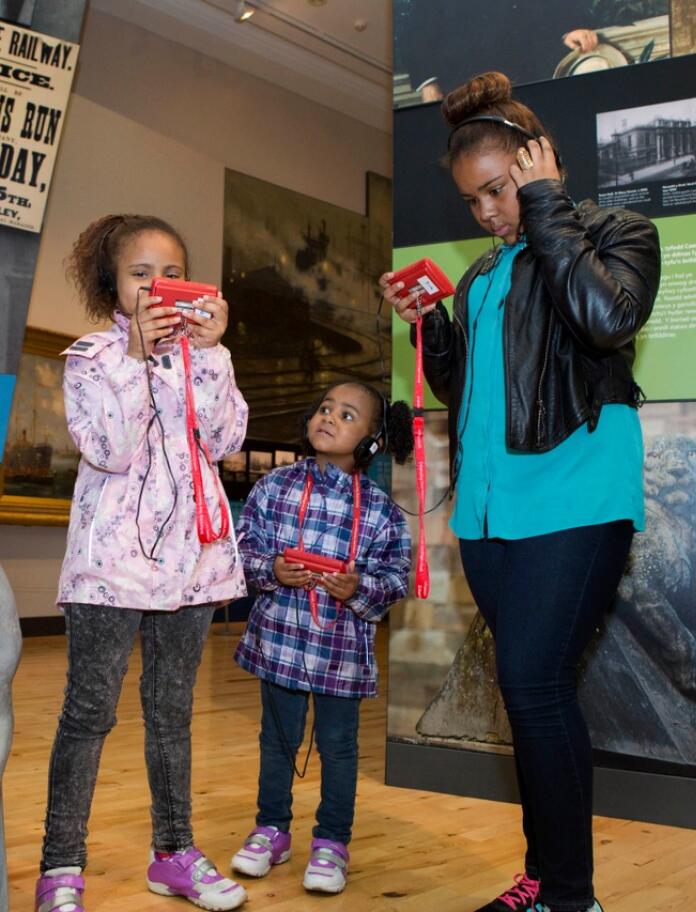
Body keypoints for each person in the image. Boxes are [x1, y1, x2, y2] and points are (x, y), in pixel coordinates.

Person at [380, 71, 660, 912]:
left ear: (543, 164)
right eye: (475, 201)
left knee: (534, 683)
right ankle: (545, 880)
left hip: (576, 491)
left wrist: (545, 211)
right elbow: (466, 391)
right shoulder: (481, 279)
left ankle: (570, 897)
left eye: (500, 190)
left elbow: (606, 323)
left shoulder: (619, 232)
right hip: (491, 509)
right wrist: (430, 327)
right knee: (530, 691)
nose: (490, 213)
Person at [34, 215, 250, 912]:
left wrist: (212, 353)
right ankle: (61, 864)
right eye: (140, 274)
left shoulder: (202, 356)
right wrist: (133, 354)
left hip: (191, 565)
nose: (158, 287)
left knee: (171, 711)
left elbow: (223, 440)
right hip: (110, 569)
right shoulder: (91, 360)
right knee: (89, 712)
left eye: (172, 272)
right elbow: (112, 449)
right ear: (111, 285)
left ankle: (174, 853)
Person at [230, 382, 412, 895]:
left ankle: (332, 842)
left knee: (338, 747)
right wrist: (273, 570)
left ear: (372, 441)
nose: (330, 417)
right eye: (325, 408)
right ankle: (271, 829)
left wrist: (359, 588)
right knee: (277, 740)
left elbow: (396, 579)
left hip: (341, 655)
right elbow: (240, 556)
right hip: (280, 643)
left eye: (348, 415)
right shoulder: (274, 487)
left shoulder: (382, 511)